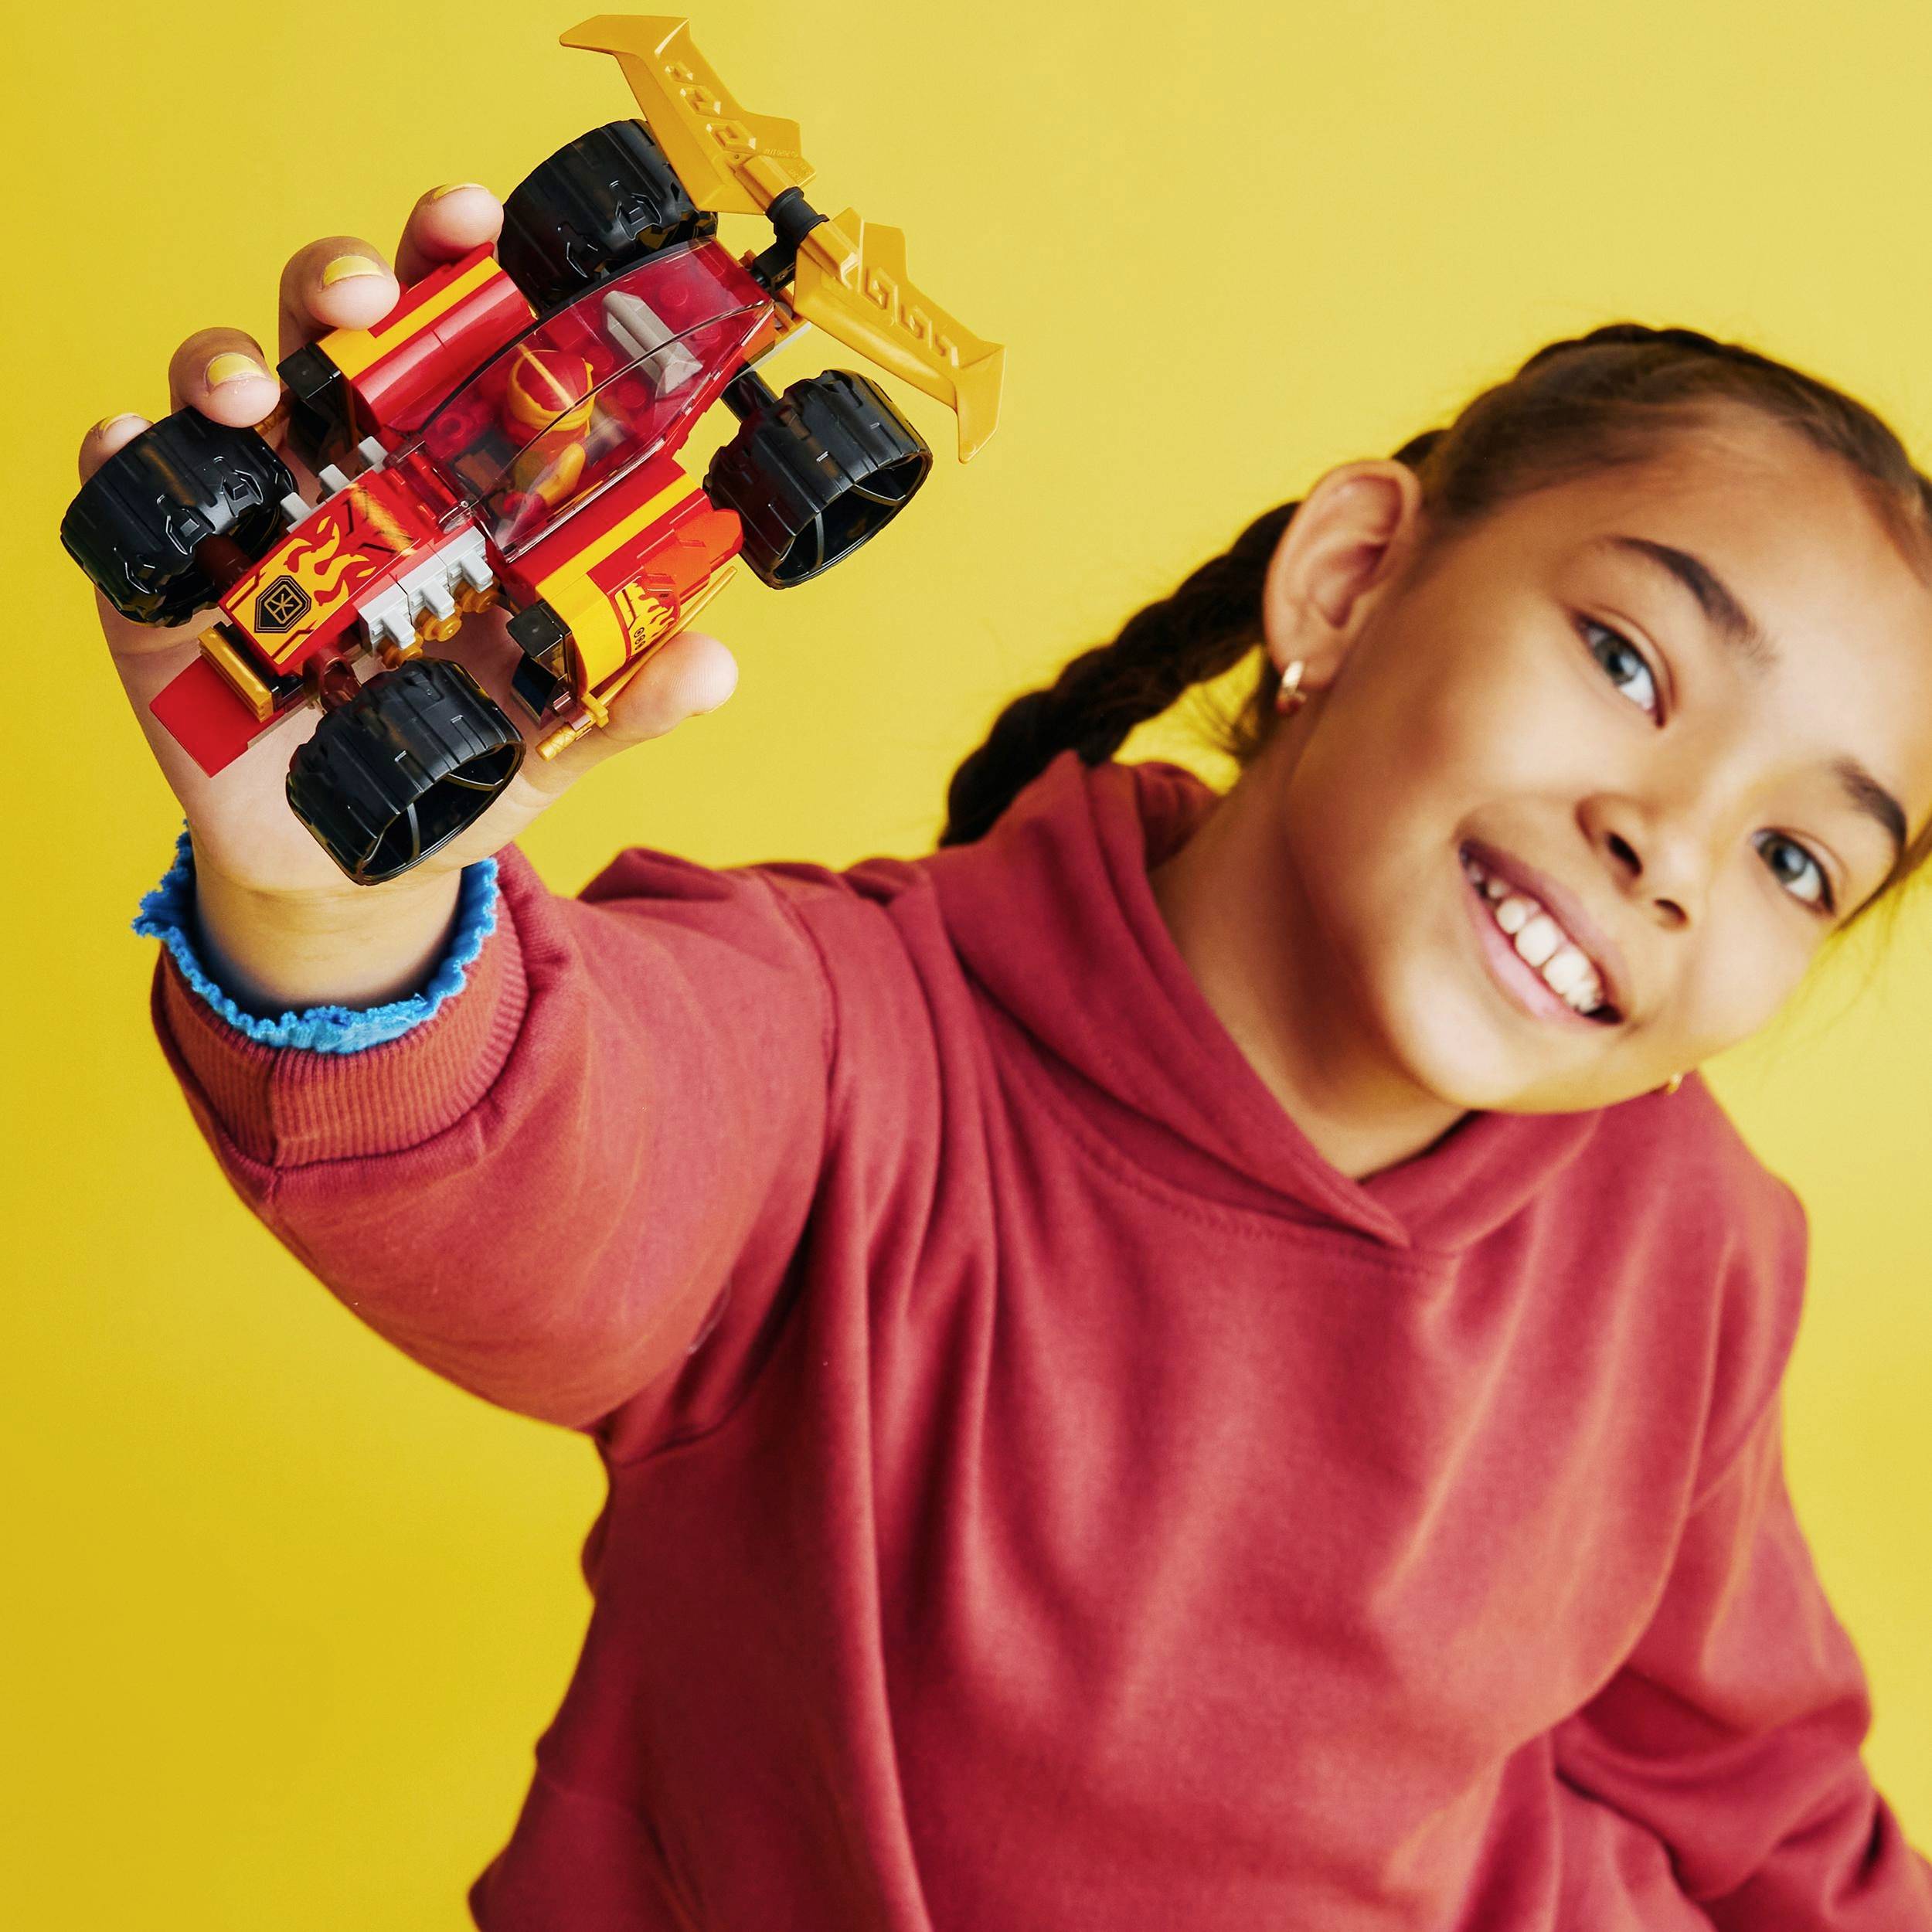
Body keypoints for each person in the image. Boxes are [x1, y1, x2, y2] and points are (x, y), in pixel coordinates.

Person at [80, 181, 1932, 1930]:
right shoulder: (862, 1050)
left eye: (1795, 858)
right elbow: (542, 1139)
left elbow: (1759, 1804)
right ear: (1352, 577)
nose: (1672, 848)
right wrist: (338, 895)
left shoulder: (1687, 1240)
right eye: (1625, 658)